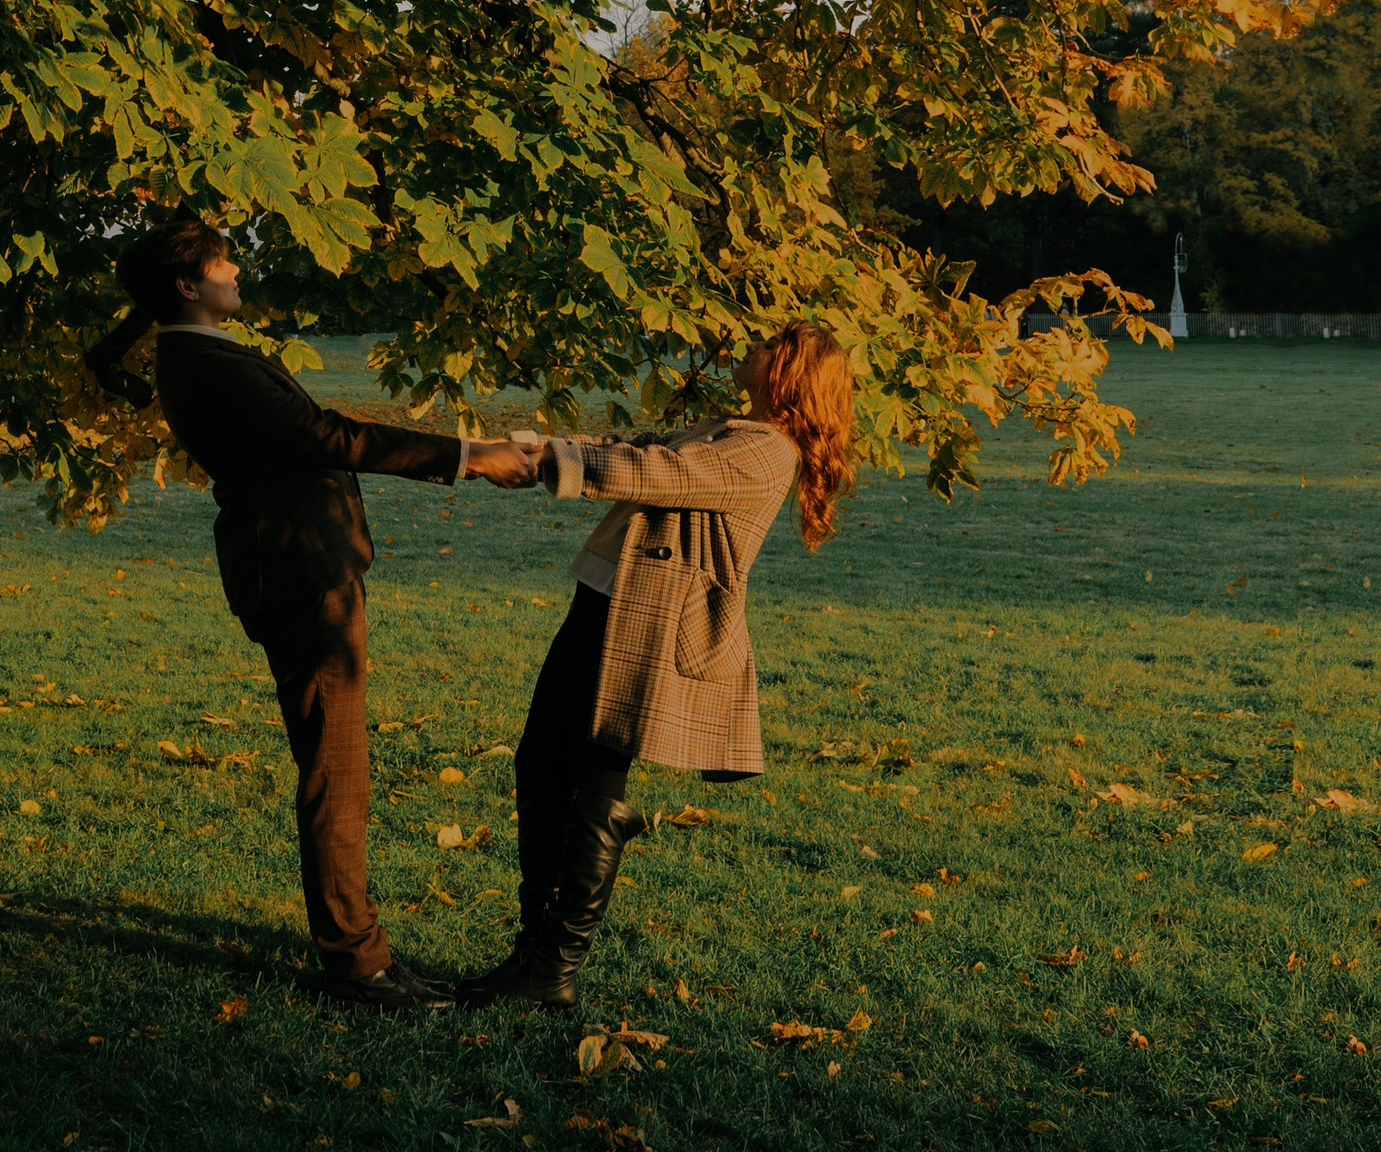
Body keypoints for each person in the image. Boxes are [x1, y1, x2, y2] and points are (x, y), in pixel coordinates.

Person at [86, 214, 538, 1013]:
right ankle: (358, 965)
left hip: (307, 566)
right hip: (297, 573)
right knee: (337, 768)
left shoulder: (202, 352)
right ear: (187, 284)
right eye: (223, 262)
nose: (237, 271)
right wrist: (471, 456)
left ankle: (363, 954)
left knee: (340, 764)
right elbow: (327, 435)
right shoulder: (203, 363)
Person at [460, 320, 856, 1010]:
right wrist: (547, 451)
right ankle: (533, 951)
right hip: (605, 599)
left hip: (651, 622)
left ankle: (553, 969)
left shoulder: (767, 450)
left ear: (789, 374)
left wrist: (557, 462)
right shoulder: (732, 428)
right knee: (542, 763)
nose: (752, 344)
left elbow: (664, 474)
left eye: (770, 344)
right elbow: (641, 448)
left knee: (592, 783)